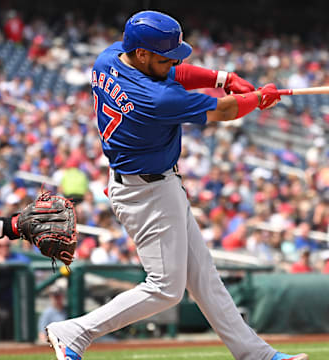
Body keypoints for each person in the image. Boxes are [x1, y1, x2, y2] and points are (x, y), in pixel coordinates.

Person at [46, 10, 308, 360]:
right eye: (164, 56)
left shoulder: (109, 58)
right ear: (141, 53)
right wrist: (258, 99)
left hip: (150, 184)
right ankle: (74, 332)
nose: (172, 62)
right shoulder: (155, 99)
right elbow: (226, 111)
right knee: (166, 289)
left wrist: (223, 76)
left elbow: (172, 70)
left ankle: (258, 356)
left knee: (205, 279)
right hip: (147, 192)